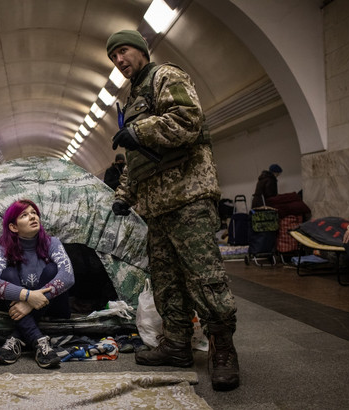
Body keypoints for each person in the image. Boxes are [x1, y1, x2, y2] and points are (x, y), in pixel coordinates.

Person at [106, 29, 240, 391]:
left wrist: (141, 131)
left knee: (203, 276)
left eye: (123, 51)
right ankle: (177, 344)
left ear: (141, 50)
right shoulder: (132, 97)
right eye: (114, 56)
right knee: (166, 281)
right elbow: (137, 162)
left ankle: (223, 347)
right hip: (156, 206)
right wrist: (124, 194)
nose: (119, 60)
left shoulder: (167, 76)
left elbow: (186, 120)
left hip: (188, 196)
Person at [0, 199, 75, 369]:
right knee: (7, 273)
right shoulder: (4, 248)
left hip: (54, 307)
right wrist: (28, 296)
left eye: (34, 213)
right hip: (19, 306)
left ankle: (16, 338)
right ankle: (38, 341)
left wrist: (30, 305)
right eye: (24, 215)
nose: (33, 217)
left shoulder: (52, 243)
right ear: (13, 227)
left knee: (52, 270)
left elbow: (68, 276)